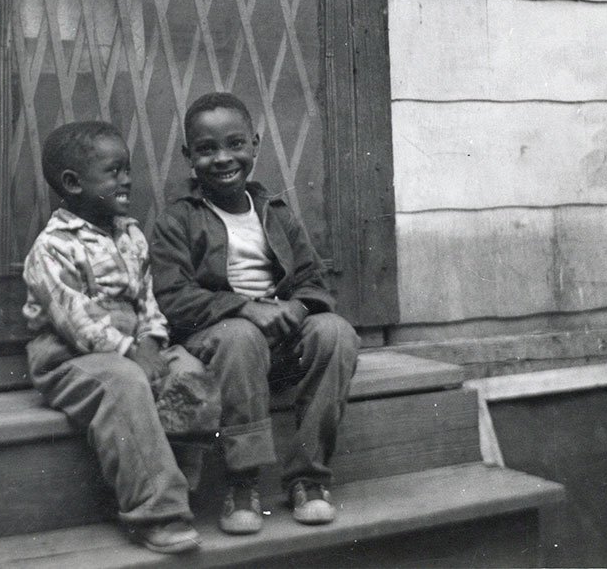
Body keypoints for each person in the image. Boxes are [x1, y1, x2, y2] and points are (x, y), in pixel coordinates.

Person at [151, 92, 360, 536]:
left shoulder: (275, 213)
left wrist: (297, 306)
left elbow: (313, 279)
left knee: (336, 332)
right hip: (220, 344)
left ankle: (308, 477)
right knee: (240, 336)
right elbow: (173, 296)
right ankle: (242, 482)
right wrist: (244, 308)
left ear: (255, 145)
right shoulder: (179, 220)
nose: (223, 158)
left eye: (235, 144)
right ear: (188, 156)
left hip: (280, 344)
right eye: (206, 149)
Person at [23, 121, 215, 555]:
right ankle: (155, 511)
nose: (126, 179)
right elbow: (75, 322)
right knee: (124, 384)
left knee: (189, 371)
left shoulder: (130, 235)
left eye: (127, 169)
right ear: (72, 183)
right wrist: (130, 351)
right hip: (69, 358)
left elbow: (147, 299)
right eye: (113, 172)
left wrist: (151, 340)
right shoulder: (52, 247)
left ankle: (183, 484)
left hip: (132, 347)